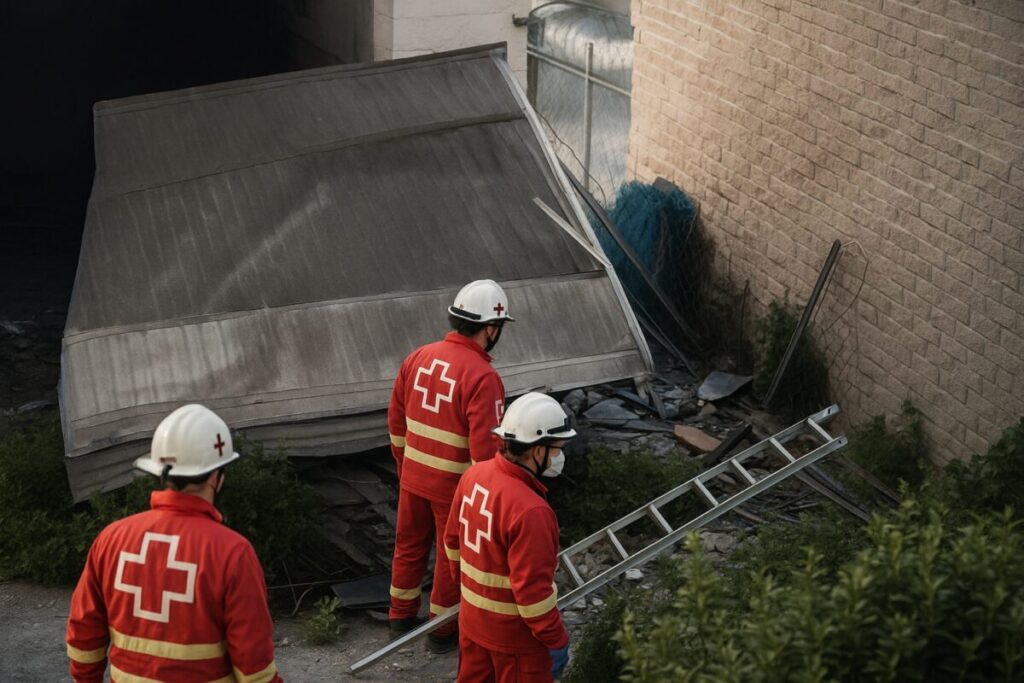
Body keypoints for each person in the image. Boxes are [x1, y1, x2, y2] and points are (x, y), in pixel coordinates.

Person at [66, 404, 282, 683]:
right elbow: (254, 666)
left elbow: (84, 635)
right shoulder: (232, 553)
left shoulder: (111, 539)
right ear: (216, 476)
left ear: (161, 472)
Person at [387, 279, 513, 653]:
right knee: (450, 558)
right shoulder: (483, 377)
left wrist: (405, 468)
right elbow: (486, 453)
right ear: (491, 329)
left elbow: (396, 425)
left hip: (413, 478)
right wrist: (485, 503)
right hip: (453, 490)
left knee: (408, 544)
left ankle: (400, 617)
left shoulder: (417, 358)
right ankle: (441, 633)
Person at [443, 392, 576, 682]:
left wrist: (471, 595)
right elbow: (532, 595)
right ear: (536, 450)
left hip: (472, 622)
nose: (559, 456)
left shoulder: (474, 475)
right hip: (515, 642)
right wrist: (555, 639)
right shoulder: (531, 511)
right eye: (557, 449)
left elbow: (452, 542)